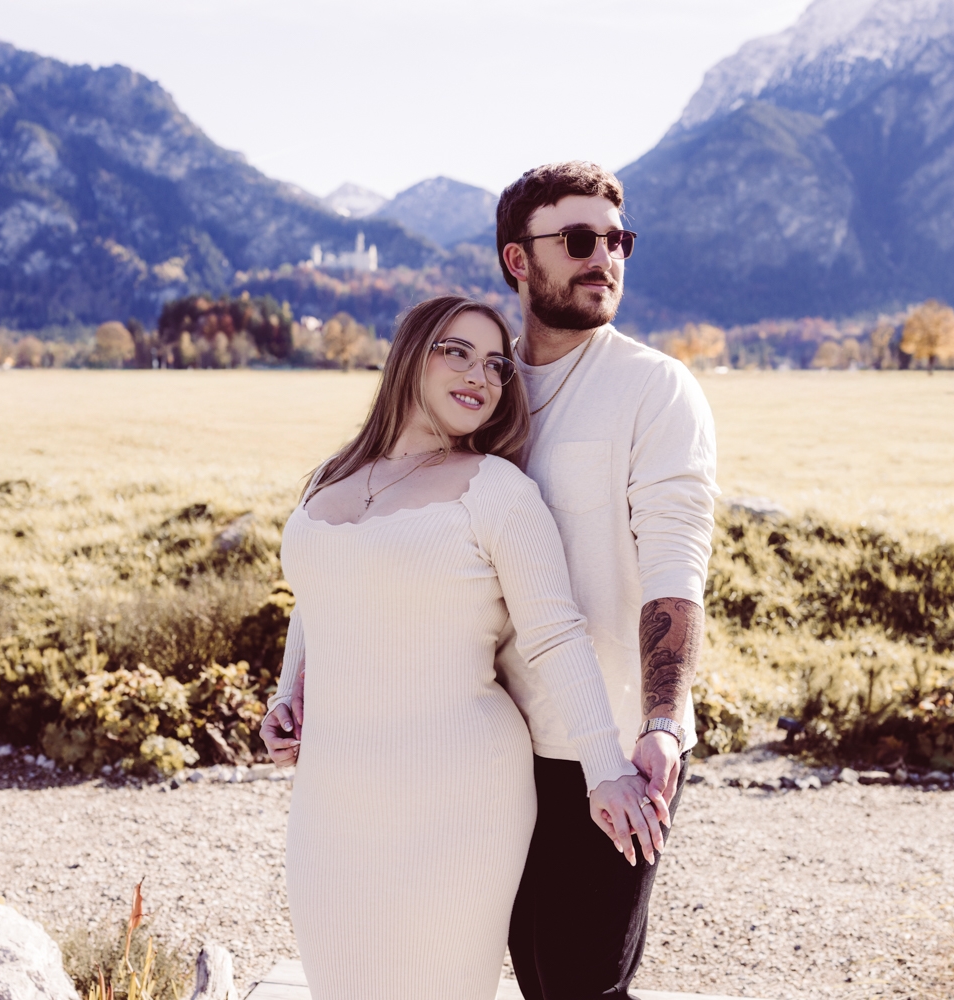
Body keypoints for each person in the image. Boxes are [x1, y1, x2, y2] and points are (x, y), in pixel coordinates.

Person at [256, 295, 663, 1000]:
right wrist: (290, 691)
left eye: (498, 365)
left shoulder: (498, 491)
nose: (482, 374)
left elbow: (555, 634)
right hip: (332, 790)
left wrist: (606, 768)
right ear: (412, 353)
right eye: (458, 351)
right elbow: (318, 594)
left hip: (460, 790)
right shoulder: (331, 478)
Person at [496, 162, 719, 1000]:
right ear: (520, 260)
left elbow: (675, 562)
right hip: (496, 741)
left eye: (618, 241)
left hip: (619, 745)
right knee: (531, 971)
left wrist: (662, 722)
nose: (606, 260)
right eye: (580, 240)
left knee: (585, 982)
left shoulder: (655, 388)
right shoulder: (485, 386)